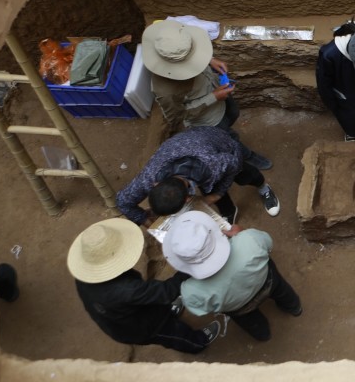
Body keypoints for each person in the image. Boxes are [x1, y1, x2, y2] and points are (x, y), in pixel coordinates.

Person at [67, 217, 221, 354]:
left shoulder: (84, 277)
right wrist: (190, 264)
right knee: (173, 333)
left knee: (160, 307)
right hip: (141, 327)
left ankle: (169, 311)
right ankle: (197, 342)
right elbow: (167, 291)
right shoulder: (127, 289)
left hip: (119, 317)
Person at [142, 19, 272, 170]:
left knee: (233, 113)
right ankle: (247, 156)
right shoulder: (165, 90)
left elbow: (187, 51)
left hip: (219, 95)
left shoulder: (172, 38)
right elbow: (179, 117)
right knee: (230, 140)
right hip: (208, 119)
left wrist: (209, 60)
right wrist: (213, 97)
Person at [163, 211, 303, 342]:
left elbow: (202, 310)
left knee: (251, 322)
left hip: (239, 308)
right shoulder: (249, 239)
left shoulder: (190, 292)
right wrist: (241, 234)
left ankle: (263, 334)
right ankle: (294, 307)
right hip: (269, 281)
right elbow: (268, 242)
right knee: (283, 292)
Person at [116, 126, 280, 227]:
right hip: (188, 144)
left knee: (244, 175)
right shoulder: (149, 177)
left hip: (220, 143)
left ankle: (263, 187)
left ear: (188, 199)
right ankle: (229, 212)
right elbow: (123, 201)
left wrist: (216, 195)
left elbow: (234, 162)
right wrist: (145, 220)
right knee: (212, 189)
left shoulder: (213, 166)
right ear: (156, 184)